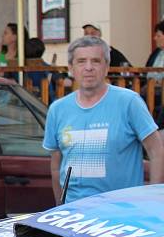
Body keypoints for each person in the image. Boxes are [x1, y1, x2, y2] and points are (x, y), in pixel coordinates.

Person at [43, 36, 164, 204]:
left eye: (96, 61)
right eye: (81, 61)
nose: (88, 68)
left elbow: (157, 151)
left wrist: (153, 201)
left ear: (106, 67)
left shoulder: (129, 102)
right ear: (71, 67)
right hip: (74, 212)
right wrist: (59, 207)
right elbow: (56, 165)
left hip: (122, 212)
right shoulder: (57, 109)